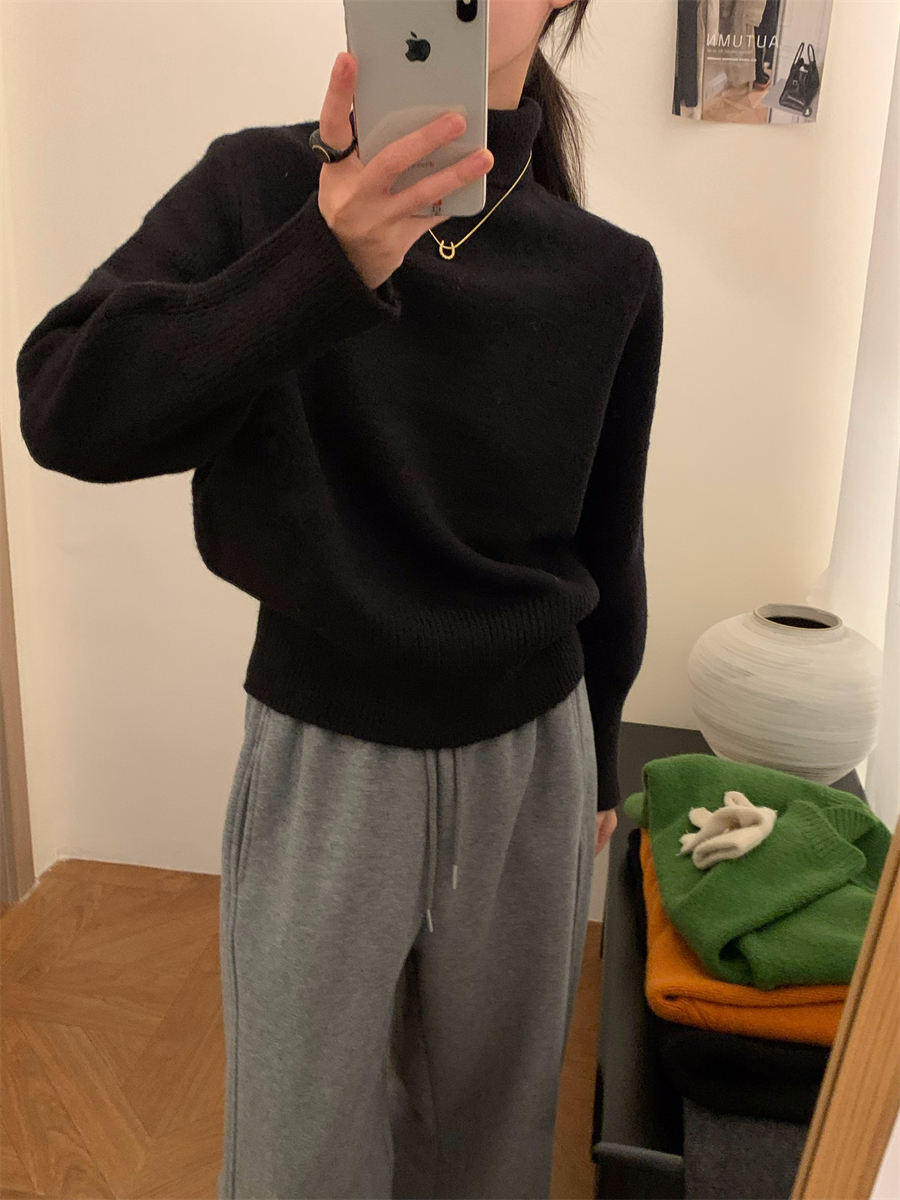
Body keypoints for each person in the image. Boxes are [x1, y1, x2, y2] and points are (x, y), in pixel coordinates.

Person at [16, 1, 663, 1196]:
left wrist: (604, 762)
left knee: (492, 1156)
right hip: (327, 755)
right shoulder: (261, 192)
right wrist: (323, 260)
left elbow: (608, 545)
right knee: (296, 1162)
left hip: (533, 767)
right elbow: (65, 408)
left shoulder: (608, 271)